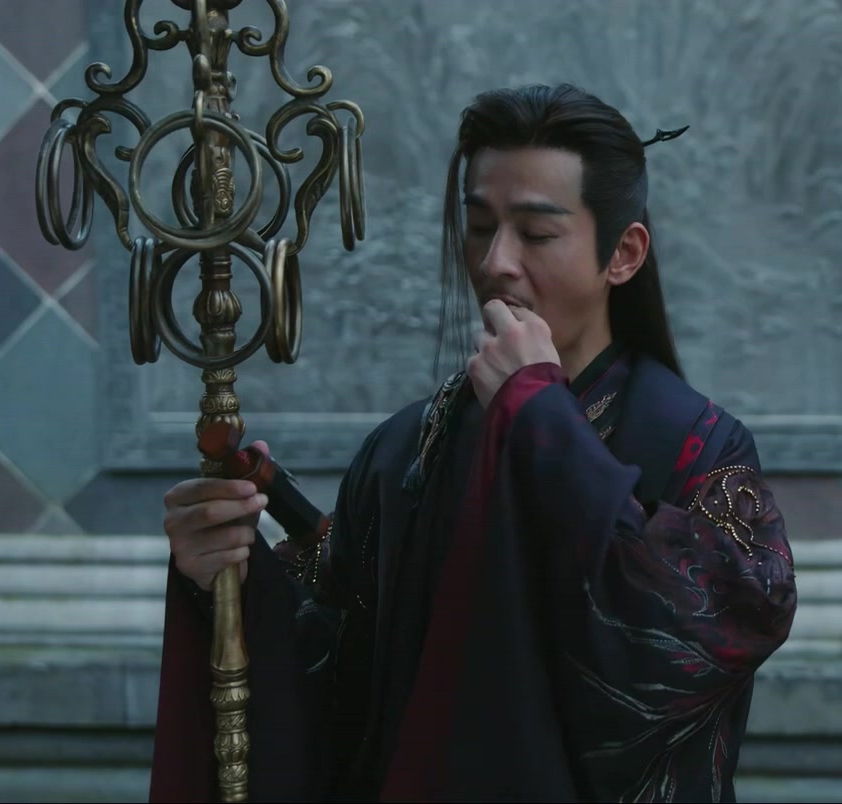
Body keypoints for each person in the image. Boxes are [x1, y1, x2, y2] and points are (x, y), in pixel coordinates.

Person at [150, 84, 797, 802]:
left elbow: (712, 638)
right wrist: (229, 583)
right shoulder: (405, 448)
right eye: (480, 226)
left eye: (537, 234)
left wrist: (540, 420)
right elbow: (341, 678)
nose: (495, 262)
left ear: (623, 252)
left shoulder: (694, 445)